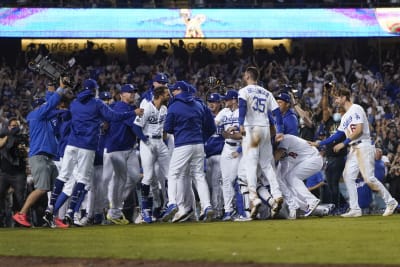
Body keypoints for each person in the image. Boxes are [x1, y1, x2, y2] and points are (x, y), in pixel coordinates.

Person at [44, 79, 142, 227]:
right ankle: (71, 212)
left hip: (71, 145)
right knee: (82, 180)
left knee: (64, 176)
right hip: (86, 146)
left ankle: (50, 208)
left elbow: (67, 116)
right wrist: (132, 112)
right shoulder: (97, 104)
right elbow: (114, 117)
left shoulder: (75, 103)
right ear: (94, 90)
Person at [312, 88, 398, 217]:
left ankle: (391, 202)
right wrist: (320, 143)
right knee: (348, 176)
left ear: (344, 97)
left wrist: (344, 143)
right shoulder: (345, 115)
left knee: (369, 179)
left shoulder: (356, 108)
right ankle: (355, 209)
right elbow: (337, 135)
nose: (335, 100)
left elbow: (358, 130)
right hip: (354, 148)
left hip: (363, 146)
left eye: (337, 97)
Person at [12, 79, 66, 227]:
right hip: (39, 157)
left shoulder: (44, 117)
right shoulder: (36, 115)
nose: (47, 107)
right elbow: (50, 104)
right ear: (39, 107)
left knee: (59, 188)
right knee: (42, 188)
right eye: (43, 105)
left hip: (48, 157)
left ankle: (54, 218)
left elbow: (50, 103)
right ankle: (21, 213)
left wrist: (51, 88)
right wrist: (60, 89)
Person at [161, 81, 216, 222]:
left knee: (173, 173)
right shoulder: (199, 104)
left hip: (183, 144)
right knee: (198, 176)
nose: (172, 92)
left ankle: (172, 203)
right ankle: (207, 206)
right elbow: (211, 127)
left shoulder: (174, 106)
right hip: (198, 144)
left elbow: (168, 128)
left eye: (174, 90)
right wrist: (201, 138)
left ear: (179, 90)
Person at [238, 66, 284, 219]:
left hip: (252, 129)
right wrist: (280, 130)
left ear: (247, 76)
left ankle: (253, 197)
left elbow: (243, 107)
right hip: (265, 129)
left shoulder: (244, 91)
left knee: (250, 165)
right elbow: (277, 112)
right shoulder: (267, 92)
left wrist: (240, 123)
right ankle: (276, 194)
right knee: (266, 165)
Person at [103, 84, 144, 224]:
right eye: (129, 92)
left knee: (133, 177)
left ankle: (114, 203)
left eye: (134, 92)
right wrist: (146, 139)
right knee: (118, 180)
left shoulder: (132, 108)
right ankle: (114, 208)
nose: (132, 94)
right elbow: (134, 127)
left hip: (130, 148)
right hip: (117, 148)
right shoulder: (120, 107)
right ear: (121, 94)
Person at [133, 85, 171, 223]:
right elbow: (136, 127)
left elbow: (164, 129)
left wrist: (164, 144)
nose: (169, 96)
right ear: (160, 95)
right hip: (147, 141)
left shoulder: (165, 109)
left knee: (169, 174)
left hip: (160, 142)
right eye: (167, 93)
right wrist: (145, 142)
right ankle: (145, 210)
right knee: (148, 176)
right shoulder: (147, 107)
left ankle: (170, 204)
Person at [274, 134, 323, 217]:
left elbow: (276, 156)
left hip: (314, 158)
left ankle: (311, 200)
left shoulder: (286, 139)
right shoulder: (283, 155)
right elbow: (282, 174)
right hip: (308, 160)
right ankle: (303, 206)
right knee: (288, 178)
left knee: (292, 177)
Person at [215, 90, 242, 221]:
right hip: (227, 147)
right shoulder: (224, 112)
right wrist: (221, 131)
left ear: (234, 100)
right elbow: (215, 124)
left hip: (239, 148)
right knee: (225, 180)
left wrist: (232, 130)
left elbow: (244, 132)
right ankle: (228, 210)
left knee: (233, 179)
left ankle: (238, 208)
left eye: (226, 99)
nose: (224, 101)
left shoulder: (242, 111)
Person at [0, 118, 28, 225]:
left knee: (20, 198)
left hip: (18, 173)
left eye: (16, 126)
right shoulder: (3, 136)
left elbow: (25, 152)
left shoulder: (22, 137)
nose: (14, 127)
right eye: (12, 126)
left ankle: (21, 220)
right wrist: (9, 135)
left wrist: (22, 149)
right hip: (4, 172)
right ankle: (2, 220)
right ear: (8, 126)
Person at [204, 93, 224, 220]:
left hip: (219, 156)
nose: (211, 104)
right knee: (207, 185)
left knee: (216, 185)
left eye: (214, 102)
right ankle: (208, 209)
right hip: (206, 156)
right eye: (209, 101)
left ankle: (217, 211)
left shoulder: (224, 116)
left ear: (219, 103)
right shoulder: (205, 118)